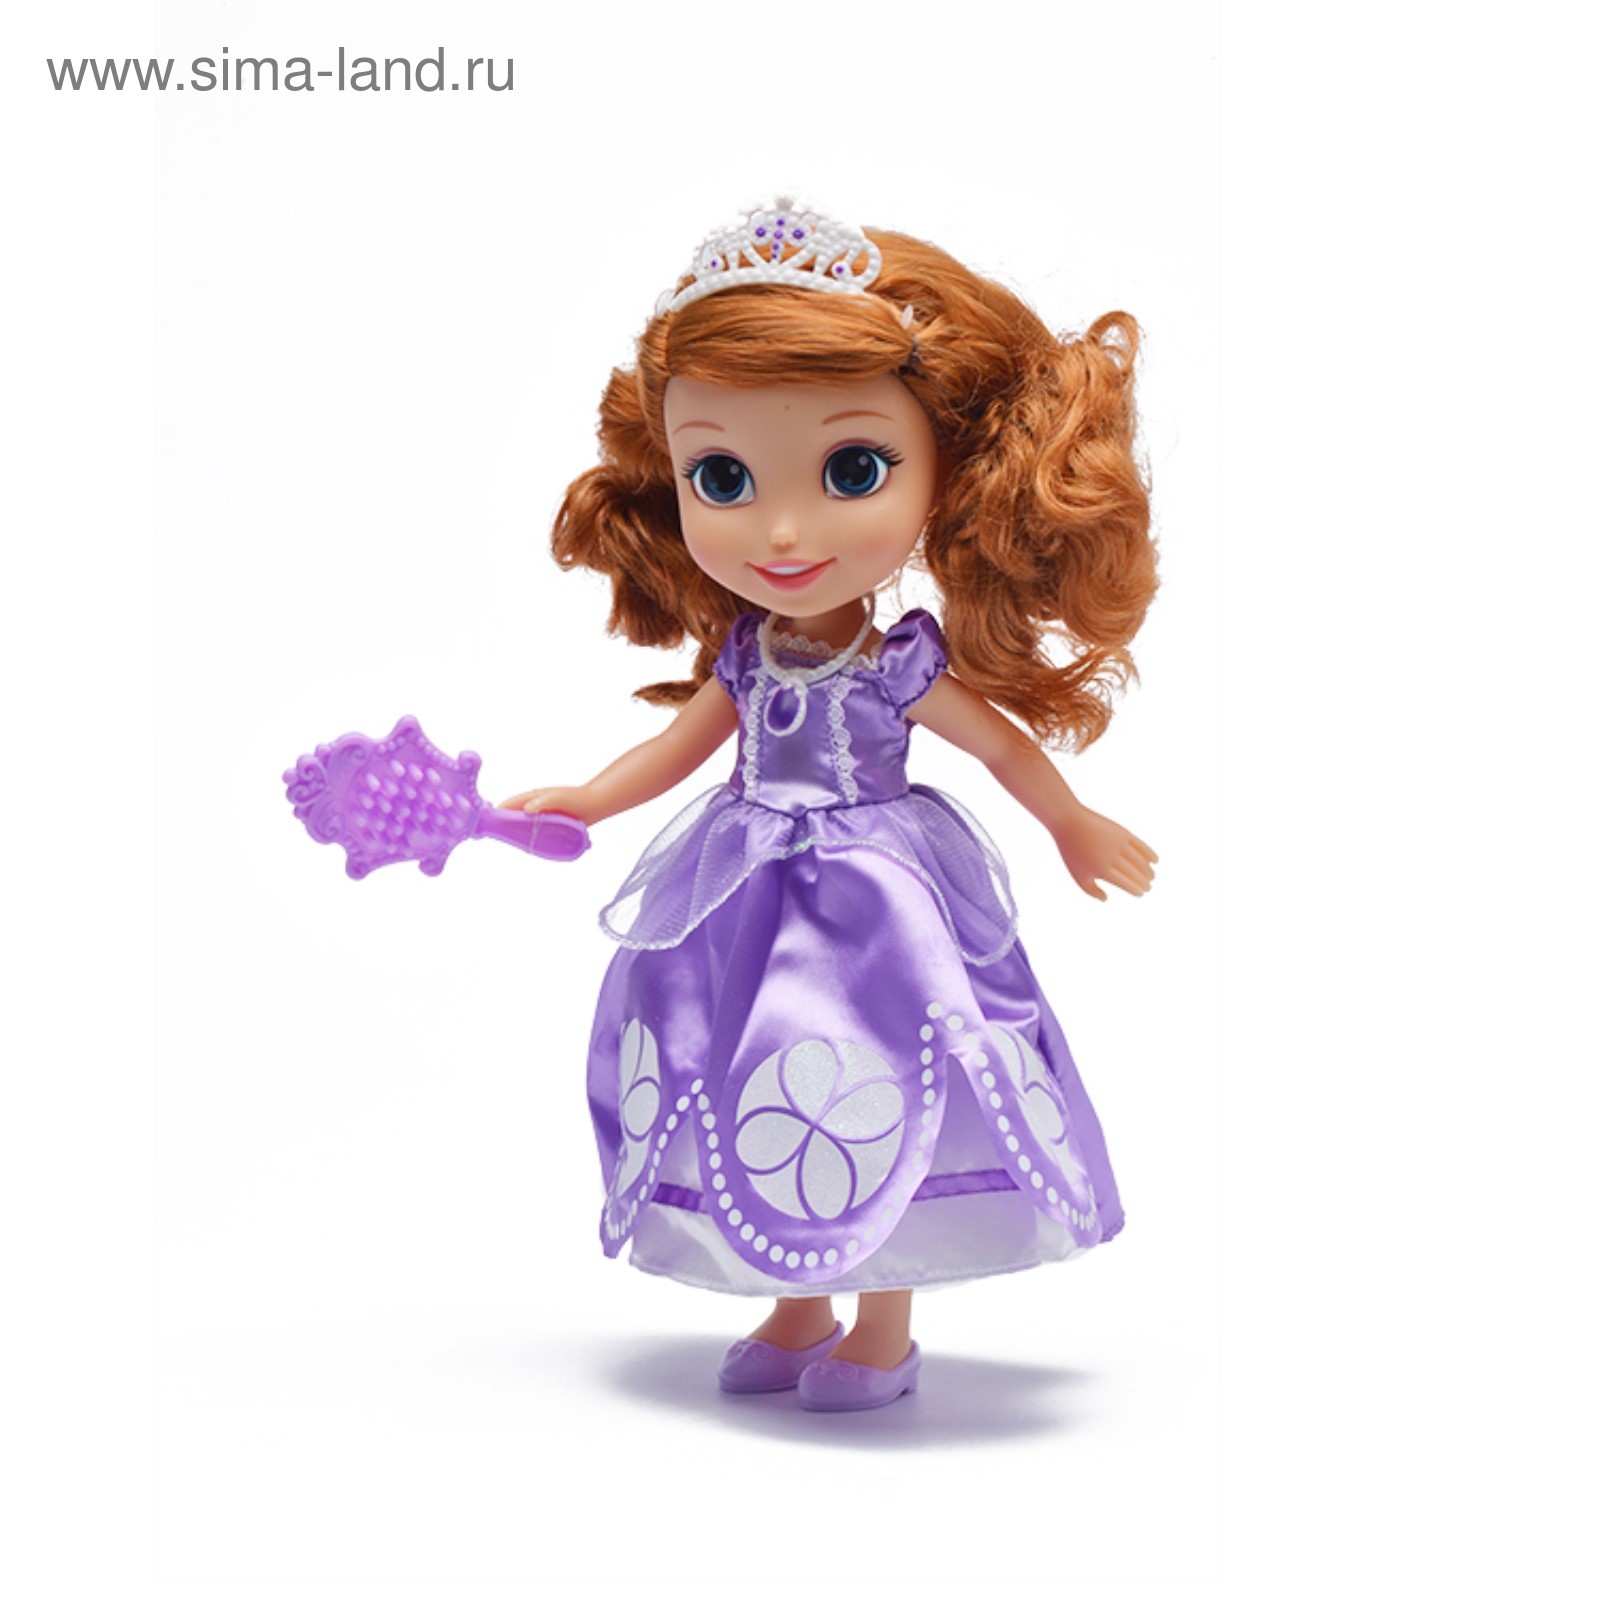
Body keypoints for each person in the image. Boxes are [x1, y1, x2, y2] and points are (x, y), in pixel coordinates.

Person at [501, 200, 1158, 1412]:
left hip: (876, 906)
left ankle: (882, 1326)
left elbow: (999, 746)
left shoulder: (895, 664)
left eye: (855, 470)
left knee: (873, 1080)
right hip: (739, 894)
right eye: (722, 477)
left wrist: (1069, 819)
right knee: (749, 1071)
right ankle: (795, 1299)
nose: (784, 529)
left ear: (946, 473)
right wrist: (589, 799)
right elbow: (680, 745)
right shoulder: (745, 657)